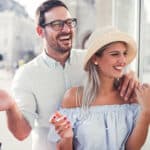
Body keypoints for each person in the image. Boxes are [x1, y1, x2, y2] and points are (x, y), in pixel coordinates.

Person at [0, 0, 139, 150]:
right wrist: (11, 107)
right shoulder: (26, 75)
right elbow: (22, 133)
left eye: (69, 22)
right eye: (57, 24)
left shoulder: (91, 60)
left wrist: (130, 75)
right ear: (40, 31)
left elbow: (117, 67)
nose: (67, 29)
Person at [49, 27, 150, 150]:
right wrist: (67, 137)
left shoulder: (130, 97)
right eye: (114, 54)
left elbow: (132, 148)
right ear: (95, 58)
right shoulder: (73, 97)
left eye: (124, 53)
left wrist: (146, 112)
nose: (123, 60)